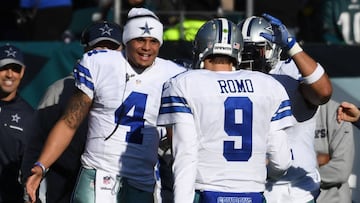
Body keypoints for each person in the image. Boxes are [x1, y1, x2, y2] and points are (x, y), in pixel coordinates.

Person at [24, 7, 186, 203]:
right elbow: (70, 122)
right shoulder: (101, 63)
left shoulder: (173, 74)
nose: (146, 47)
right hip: (97, 171)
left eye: (153, 41)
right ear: (127, 40)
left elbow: (178, 138)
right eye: (140, 40)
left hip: (142, 179)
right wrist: (42, 166)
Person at [157, 17, 296, 203]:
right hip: (253, 193)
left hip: (206, 191)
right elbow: (281, 161)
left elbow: (185, 157)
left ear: (200, 48)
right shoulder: (269, 86)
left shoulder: (184, 83)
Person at [21, 21, 123, 203]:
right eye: (98, 48)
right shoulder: (59, 89)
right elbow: (36, 141)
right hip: (63, 187)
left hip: (117, 185)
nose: (105, 54)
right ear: (86, 51)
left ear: (122, 50)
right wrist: (30, 181)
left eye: (111, 48)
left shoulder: (135, 89)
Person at [238, 14, 332, 203]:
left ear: (272, 48)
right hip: (250, 185)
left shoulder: (289, 72)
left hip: (296, 190)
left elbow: (323, 92)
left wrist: (292, 46)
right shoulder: (232, 77)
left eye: (255, 51)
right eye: (243, 51)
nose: (248, 58)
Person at [0, 44, 36, 202]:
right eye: (4, 68)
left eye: (15, 69)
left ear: (22, 72)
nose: (9, 74)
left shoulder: (29, 116)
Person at [314, 99, 355, 203]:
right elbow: (272, 162)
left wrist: (296, 173)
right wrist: (317, 160)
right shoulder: (280, 109)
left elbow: (341, 170)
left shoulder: (338, 112)